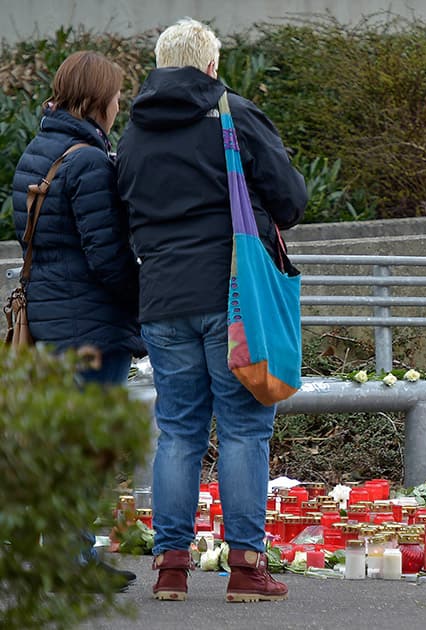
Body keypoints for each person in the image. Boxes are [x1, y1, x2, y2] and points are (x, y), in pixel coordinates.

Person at [116, 18, 307, 602]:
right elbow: (291, 200)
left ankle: (171, 566)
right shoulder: (232, 113)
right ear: (211, 66)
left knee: (177, 430)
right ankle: (247, 569)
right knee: (245, 428)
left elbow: (122, 210)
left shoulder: (134, 132)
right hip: (232, 299)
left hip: (162, 299)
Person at [11, 50, 143, 590]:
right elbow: (107, 257)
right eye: (115, 97)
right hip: (89, 324)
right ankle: (70, 562)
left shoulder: (38, 149)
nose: (119, 105)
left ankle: (62, 555)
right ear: (96, 101)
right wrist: (142, 301)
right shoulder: (88, 161)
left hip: (48, 317)